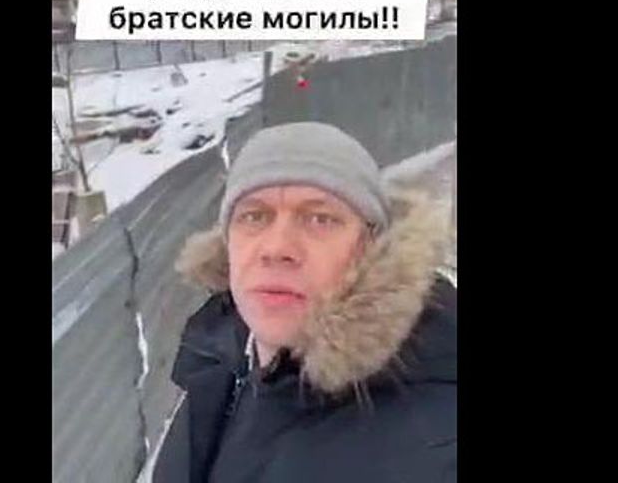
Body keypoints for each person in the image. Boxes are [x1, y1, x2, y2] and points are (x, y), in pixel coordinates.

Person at [152, 122, 457, 482]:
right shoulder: (219, 365)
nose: (277, 248)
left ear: (371, 248)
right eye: (254, 216)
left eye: (320, 219)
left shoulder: (439, 446)